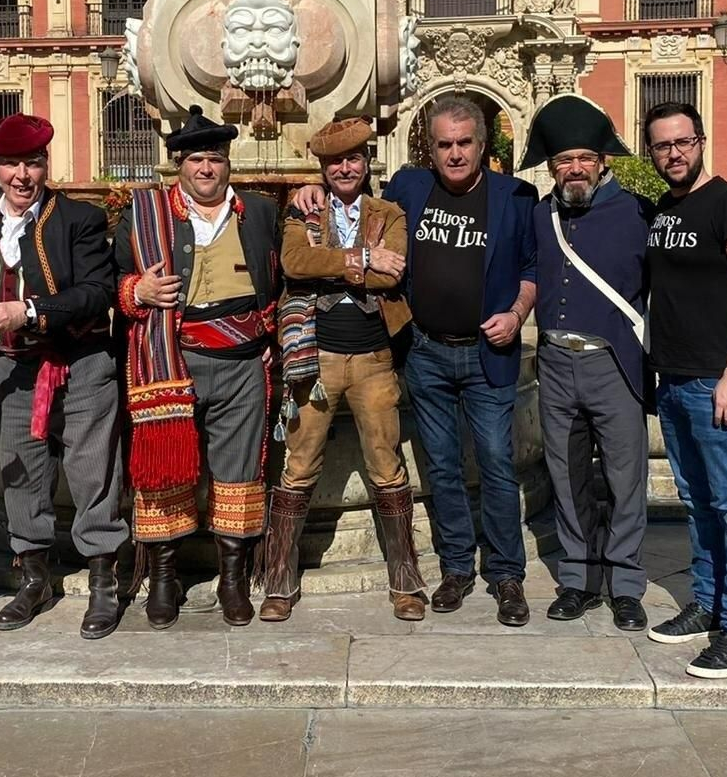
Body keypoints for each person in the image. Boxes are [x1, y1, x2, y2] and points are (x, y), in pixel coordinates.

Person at [301, 95, 538, 625]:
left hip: (487, 353)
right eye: (444, 144)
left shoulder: (514, 196)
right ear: (429, 148)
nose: (454, 154)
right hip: (426, 351)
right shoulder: (409, 187)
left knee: (498, 463)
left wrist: (519, 313)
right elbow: (356, 205)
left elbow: (531, 267)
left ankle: (506, 574)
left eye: (464, 143)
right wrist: (311, 186)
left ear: (483, 144)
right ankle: (456, 567)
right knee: (441, 466)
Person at [114, 107, 282, 629]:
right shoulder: (143, 213)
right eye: (195, 160)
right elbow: (111, 279)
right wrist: (136, 291)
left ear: (228, 165)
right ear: (179, 166)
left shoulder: (260, 212)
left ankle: (233, 579)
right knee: (165, 470)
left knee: (238, 473)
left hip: (242, 361)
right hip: (172, 360)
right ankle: (163, 580)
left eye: (215, 159)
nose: (206, 169)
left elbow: (283, 278)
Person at [0, 114, 130, 638]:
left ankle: (104, 580)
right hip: (15, 366)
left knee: (91, 469)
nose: (21, 175)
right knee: (20, 469)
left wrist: (31, 311)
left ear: (45, 165)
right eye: (10, 163)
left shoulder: (77, 219)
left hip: (81, 360)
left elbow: (97, 292)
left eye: (32, 163)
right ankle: (33, 579)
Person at [262, 117, 427, 623]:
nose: (345, 168)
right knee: (298, 466)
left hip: (375, 361)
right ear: (323, 167)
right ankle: (279, 583)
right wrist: (359, 258)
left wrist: (338, 261)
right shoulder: (301, 212)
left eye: (353, 159)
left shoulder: (390, 213)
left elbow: (392, 270)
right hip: (315, 359)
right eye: (335, 161)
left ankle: (405, 582)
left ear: (366, 162)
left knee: (387, 467)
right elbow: (294, 264)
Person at [641, 102, 727, 677]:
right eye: (662, 146)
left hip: (717, 382)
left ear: (701, 142)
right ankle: (709, 602)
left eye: (683, 142)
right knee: (696, 501)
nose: (674, 153)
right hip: (673, 380)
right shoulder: (663, 212)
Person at [520, 95, 652, 632]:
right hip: (554, 360)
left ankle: (624, 583)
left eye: (583, 158)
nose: (573, 169)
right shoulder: (539, 214)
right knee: (566, 474)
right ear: (551, 167)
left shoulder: (642, 211)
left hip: (614, 362)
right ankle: (576, 578)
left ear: (602, 161)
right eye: (562, 161)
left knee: (626, 477)